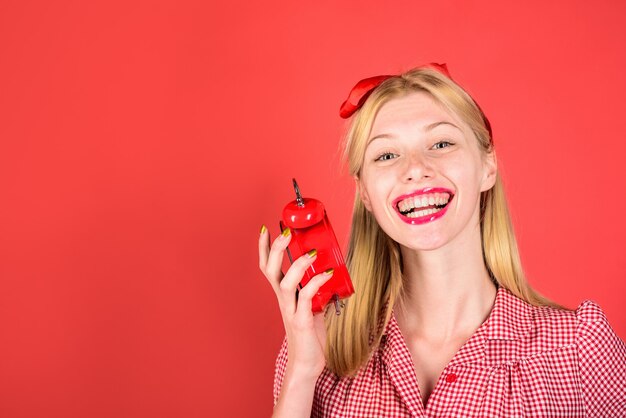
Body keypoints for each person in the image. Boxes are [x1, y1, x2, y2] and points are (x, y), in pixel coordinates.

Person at [258, 63, 626, 417]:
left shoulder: (578, 349)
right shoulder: (317, 352)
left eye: (441, 143)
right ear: (366, 194)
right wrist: (303, 370)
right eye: (386, 154)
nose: (415, 168)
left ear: (488, 167)